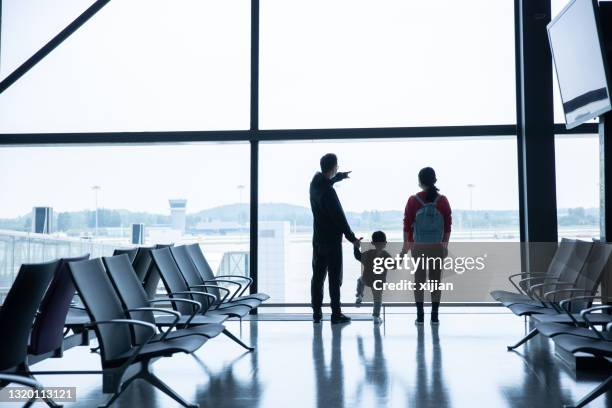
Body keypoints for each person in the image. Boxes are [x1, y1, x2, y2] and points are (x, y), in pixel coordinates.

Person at [310, 153, 359, 324]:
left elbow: (326, 181)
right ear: (332, 167)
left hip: (318, 240)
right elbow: (340, 218)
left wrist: (339, 177)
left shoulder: (314, 184)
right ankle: (336, 314)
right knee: (334, 279)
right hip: (331, 242)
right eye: (337, 167)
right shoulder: (329, 193)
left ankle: (316, 314)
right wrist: (352, 238)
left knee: (317, 278)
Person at [402, 167, 452, 325]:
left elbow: (407, 226)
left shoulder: (413, 200)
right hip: (436, 247)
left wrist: (406, 248)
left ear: (419, 182)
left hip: (419, 247)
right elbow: (448, 227)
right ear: (435, 181)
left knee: (419, 281)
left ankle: (420, 316)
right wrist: (444, 246)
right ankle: (435, 316)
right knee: (436, 281)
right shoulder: (442, 200)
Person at [353, 231, 391, 324]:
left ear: (372, 243)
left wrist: (356, 247)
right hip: (378, 282)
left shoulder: (368, 253)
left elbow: (358, 256)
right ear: (385, 243)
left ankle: (359, 295)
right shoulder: (386, 255)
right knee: (377, 300)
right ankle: (376, 317)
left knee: (360, 280)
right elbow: (393, 265)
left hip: (367, 279)